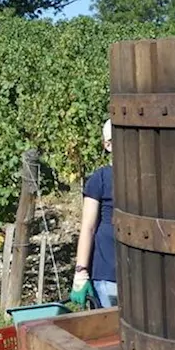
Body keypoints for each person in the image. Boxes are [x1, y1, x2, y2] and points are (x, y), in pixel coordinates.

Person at [70, 120, 116, 308]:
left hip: (143, 278)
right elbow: (88, 226)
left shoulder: (148, 177)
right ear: (108, 145)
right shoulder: (101, 179)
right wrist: (81, 272)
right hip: (107, 276)